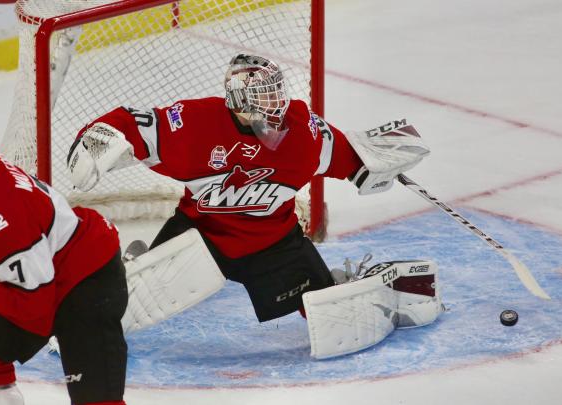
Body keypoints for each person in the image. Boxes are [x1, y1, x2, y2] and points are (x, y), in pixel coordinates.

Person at [67, 54, 441, 358]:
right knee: (128, 297)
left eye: (276, 93)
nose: (274, 106)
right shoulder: (196, 124)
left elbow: (345, 155)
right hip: (199, 237)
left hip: (273, 243)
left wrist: (372, 165)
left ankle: (383, 291)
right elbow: (135, 124)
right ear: (237, 102)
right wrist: (101, 137)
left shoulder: (303, 130)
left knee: (335, 319)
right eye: (262, 97)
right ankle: (101, 296)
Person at [0, 110, 128, 405]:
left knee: (96, 399)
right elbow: (6, 264)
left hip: (87, 284)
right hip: (51, 271)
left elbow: (35, 305)